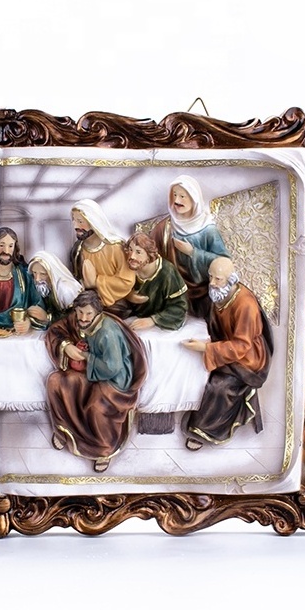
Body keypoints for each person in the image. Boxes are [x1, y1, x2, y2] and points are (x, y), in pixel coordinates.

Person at [45, 290, 147, 473]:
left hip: (114, 382)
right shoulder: (77, 320)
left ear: (98, 313)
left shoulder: (108, 332)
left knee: (96, 406)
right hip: (89, 372)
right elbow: (55, 330)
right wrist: (66, 346)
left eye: (88, 313)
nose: (83, 318)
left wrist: (85, 356)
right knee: (56, 382)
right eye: (80, 312)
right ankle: (64, 431)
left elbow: (112, 367)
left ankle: (103, 449)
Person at [181, 257, 273, 450]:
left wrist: (206, 348)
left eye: (218, 279)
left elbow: (242, 345)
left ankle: (204, 431)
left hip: (246, 359)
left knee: (218, 387)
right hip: (224, 344)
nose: (212, 283)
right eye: (211, 277)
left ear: (231, 279)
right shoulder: (218, 292)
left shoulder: (245, 304)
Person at [149, 175, 230, 317]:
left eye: (182, 196)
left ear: (194, 199)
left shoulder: (208, 230)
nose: (176, 200)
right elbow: (151, 256)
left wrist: (193, 252)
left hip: (203, 293)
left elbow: (224, 262)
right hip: (172, 292)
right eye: (174, 195)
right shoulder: (164, 227)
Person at [70, 199, 135, 314]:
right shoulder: (78, 249)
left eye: (80, 221)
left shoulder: (116, 247)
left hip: (116, 303)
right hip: (90, 304)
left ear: (93, 221)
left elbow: (127, 281)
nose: (75, 226)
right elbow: (78, 278)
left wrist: (96, 281)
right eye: (73, 220)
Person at [124, 232, 188, 331]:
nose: (132, 256)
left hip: (160, 325)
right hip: (132, 319)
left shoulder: (167, 272)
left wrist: (153, 320)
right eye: (130, 249)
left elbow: (179, 307)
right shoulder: (128, 266)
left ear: (149, 254)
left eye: (138, 252)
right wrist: (128, 295)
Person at [27, 251, 83, 326]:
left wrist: (48, 317)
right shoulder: (44, 286)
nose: (37, 279)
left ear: (52, 273)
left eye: (43, 274)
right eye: (34, 273)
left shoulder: (65, 289)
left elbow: (75, 317)